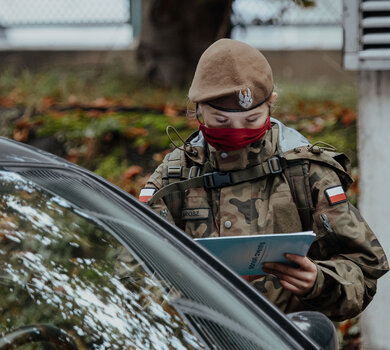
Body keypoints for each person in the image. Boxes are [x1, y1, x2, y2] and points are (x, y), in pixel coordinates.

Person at [139, 38, 388, 321]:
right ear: (198, 110)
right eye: (221, 121)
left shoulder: (305, 172)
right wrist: (185, 292)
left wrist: (318, 281)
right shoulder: (173, 178)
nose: (237, 131)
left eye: (252, 120)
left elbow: (364, 270)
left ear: (271, 106)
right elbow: (133, 271)